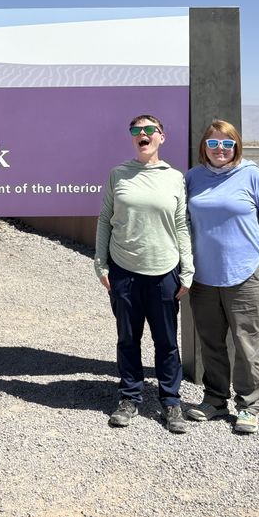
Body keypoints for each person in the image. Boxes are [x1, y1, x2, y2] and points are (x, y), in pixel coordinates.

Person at [94, 114, 194, 433]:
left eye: (151, 130)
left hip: (164, 270)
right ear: (133, 138)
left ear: (162, 137)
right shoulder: (118, 175)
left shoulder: (174, 177)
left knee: (166, 341)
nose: (144, 134)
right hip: (124, 271)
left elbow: (181, 224)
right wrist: (101, 263)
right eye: (137, 130)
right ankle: (129, 397)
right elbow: (105, 219)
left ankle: (171, 402)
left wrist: (187, 269)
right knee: (128, 338)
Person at [185, 119, 259, 434]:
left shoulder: (252, 175)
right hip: (204, 277)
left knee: (246, 342)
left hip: (245, 276)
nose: (220, 150)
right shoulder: (193, 178)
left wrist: (249, 251)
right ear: (204, 147)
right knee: (211, 342)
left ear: (236, 146)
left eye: (227, 144)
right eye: (213, 144)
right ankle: (214, 400)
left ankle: (249, 406)